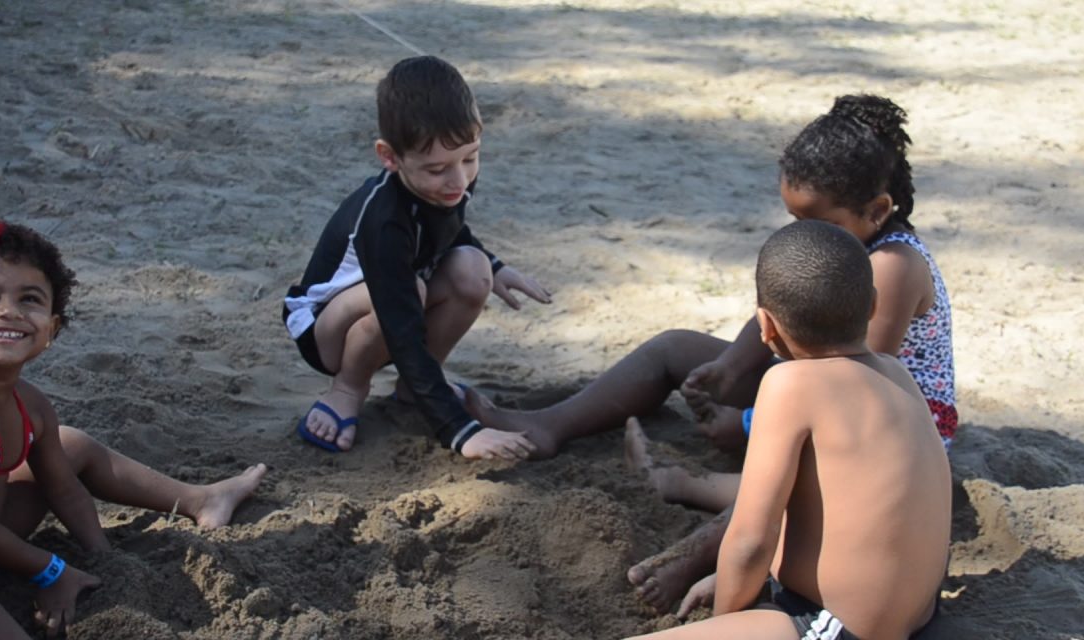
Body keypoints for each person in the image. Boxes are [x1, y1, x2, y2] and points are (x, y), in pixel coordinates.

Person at [464, 94, 956, 611]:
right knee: (675, 348)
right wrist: (730, 368)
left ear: (876, 210)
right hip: (810, 380)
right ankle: (551, 424)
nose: (803, 235)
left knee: (781, 488)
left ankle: (692, 542)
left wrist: (746, 423)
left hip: (876, 436)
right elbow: (780, 305)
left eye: (817, 222)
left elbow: (855, 389)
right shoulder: (835, 244)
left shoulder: (893, 269)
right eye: (794, 220)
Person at [0, 186, 267, 638]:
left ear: (51, 329)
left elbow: (65, 490)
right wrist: (50, 571)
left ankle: (202, 499)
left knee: (71, 444)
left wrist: (101, 563)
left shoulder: (29, 402)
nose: (8, 311)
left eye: (29, 300)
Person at [625, 219, 951, 640]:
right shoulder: (897, 373)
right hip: (920, 617)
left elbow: (750, 539)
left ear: (767, 326)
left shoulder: (788, 385)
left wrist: (728, 623)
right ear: (872, 306)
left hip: (845, 626)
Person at [282, 55, 551, 460]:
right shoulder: (382, 220)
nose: (458, 180)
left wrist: (494, 266)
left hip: (400, 299)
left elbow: (444, 227)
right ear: (389, 157)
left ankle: (413, 390)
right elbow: (402, 327)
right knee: (412, 287)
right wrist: (460, 432)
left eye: (470, 157)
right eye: (438, 168)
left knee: (472, 268)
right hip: (328, 329)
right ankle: (348, 389)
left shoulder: (449, 179)